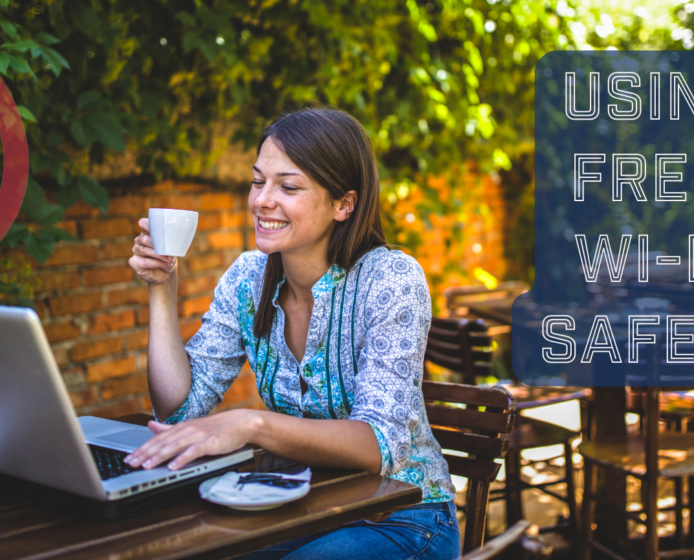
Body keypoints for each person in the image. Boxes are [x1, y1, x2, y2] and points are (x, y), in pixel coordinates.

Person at [126, 105, 460, 560]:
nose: (262, 199)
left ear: (344, 204)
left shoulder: (390, 280)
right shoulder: (248, 278)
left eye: (288, 186)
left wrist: (252, 424)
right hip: (303, 508)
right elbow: (179, 408)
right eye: (257, 180)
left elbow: (378, 446)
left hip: (404, 519)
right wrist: (161, 291)